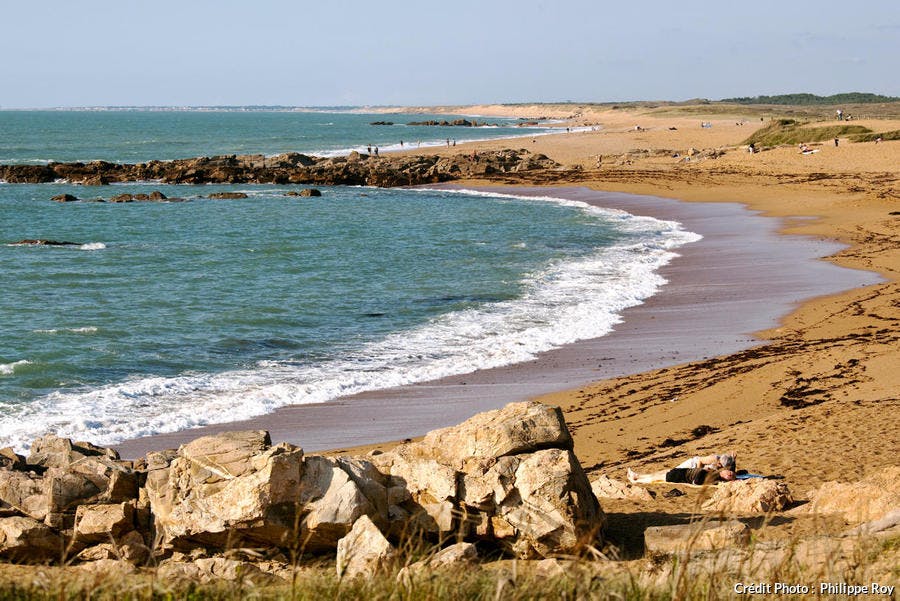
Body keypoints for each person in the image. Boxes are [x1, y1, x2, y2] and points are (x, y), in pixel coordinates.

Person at [627, 452, 736, 485]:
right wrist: (699, 471)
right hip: (691, 465)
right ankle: (638, 477)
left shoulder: (720, 469)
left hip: (690, 471)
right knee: (666, 474)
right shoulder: (713, 459)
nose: (724, 469)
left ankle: (638, 478)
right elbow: (699, 462)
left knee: (666, 475)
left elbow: (730, 474)